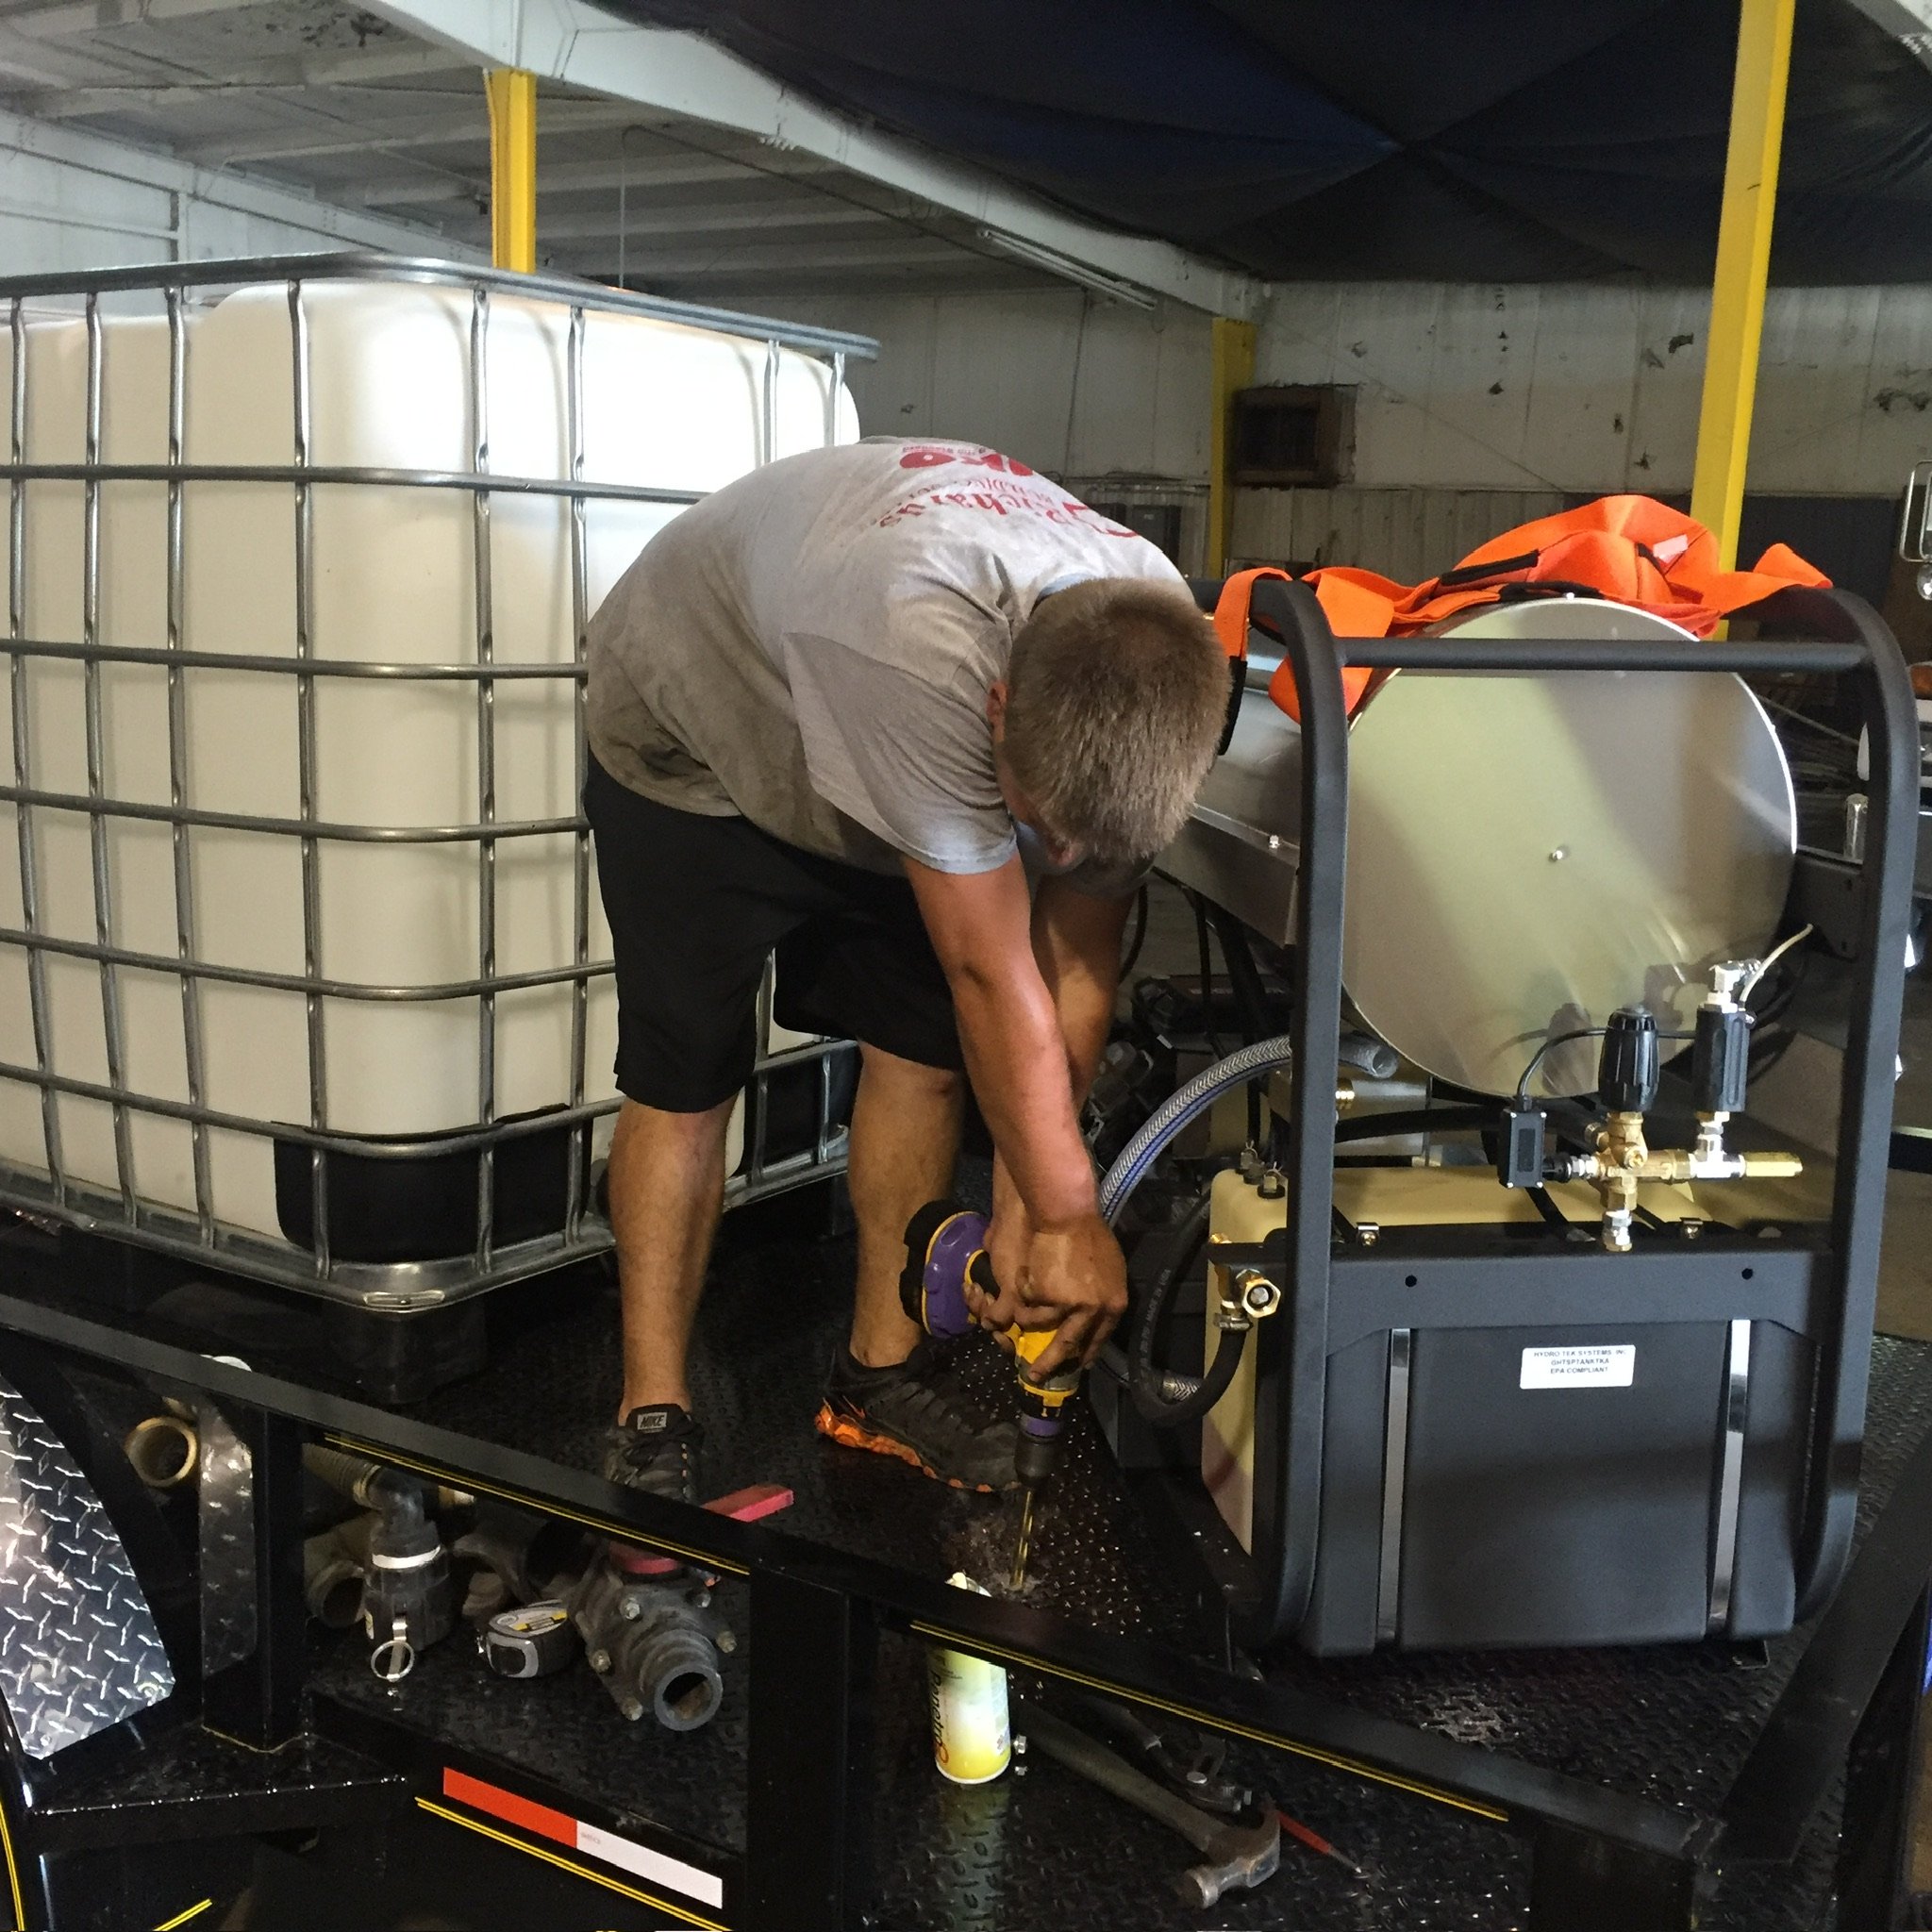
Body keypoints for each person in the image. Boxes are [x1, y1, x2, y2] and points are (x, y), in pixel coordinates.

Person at [583, 436, 1230, 1503]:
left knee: (926, 1051)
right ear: (991, 719)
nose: (1059, 864)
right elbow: (991, 970)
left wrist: (1033, 1194)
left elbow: (1070, 962)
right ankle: (653, 1410)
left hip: (880, 733)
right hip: (695, 727)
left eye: (1084, 846)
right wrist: (1070, 1219)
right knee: (687, 1069)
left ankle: (872, 1379)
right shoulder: (913, 645)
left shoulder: (1153, 670)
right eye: (1037, 828)